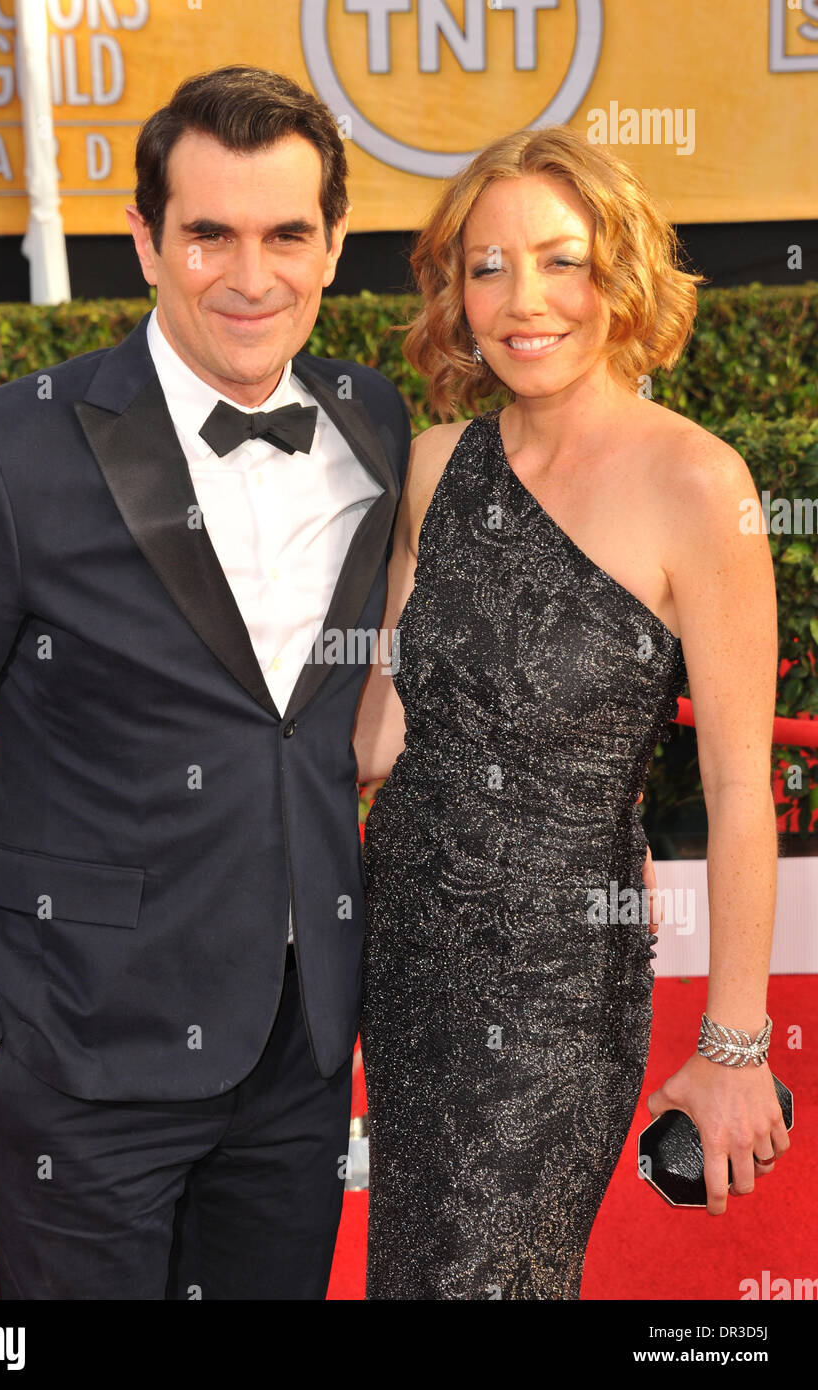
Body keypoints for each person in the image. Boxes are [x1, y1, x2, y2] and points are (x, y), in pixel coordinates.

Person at [0, 65, 410, 1300]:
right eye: (207, 233)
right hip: (74, 1054)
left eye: (286, 234)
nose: (249, 275)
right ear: (144, 243)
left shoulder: (368, 419)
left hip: (300, 1051)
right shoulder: (3, 451)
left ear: (334, 245)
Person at [352, 125, 789, 1300]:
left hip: (555, 982)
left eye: (561, 260)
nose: (520, 299)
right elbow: (381, 730)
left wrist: (732, 1045)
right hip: (400, 955)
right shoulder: (434, 468)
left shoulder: (696, 485)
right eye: (484, 265)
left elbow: (742, 788)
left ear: (622, 276)